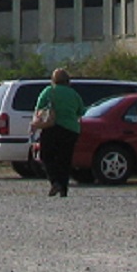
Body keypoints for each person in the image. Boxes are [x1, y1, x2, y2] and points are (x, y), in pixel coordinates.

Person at [34, 67, 85, 197]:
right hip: (71, 130)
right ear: (68, 80)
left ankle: (55, 181)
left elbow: (39, 107)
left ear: (53, 80)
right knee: (65, 159)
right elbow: (81, 111)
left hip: (52, 128)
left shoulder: (49, 91)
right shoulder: (74, 94)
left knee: (46, 155)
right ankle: (64, 188)